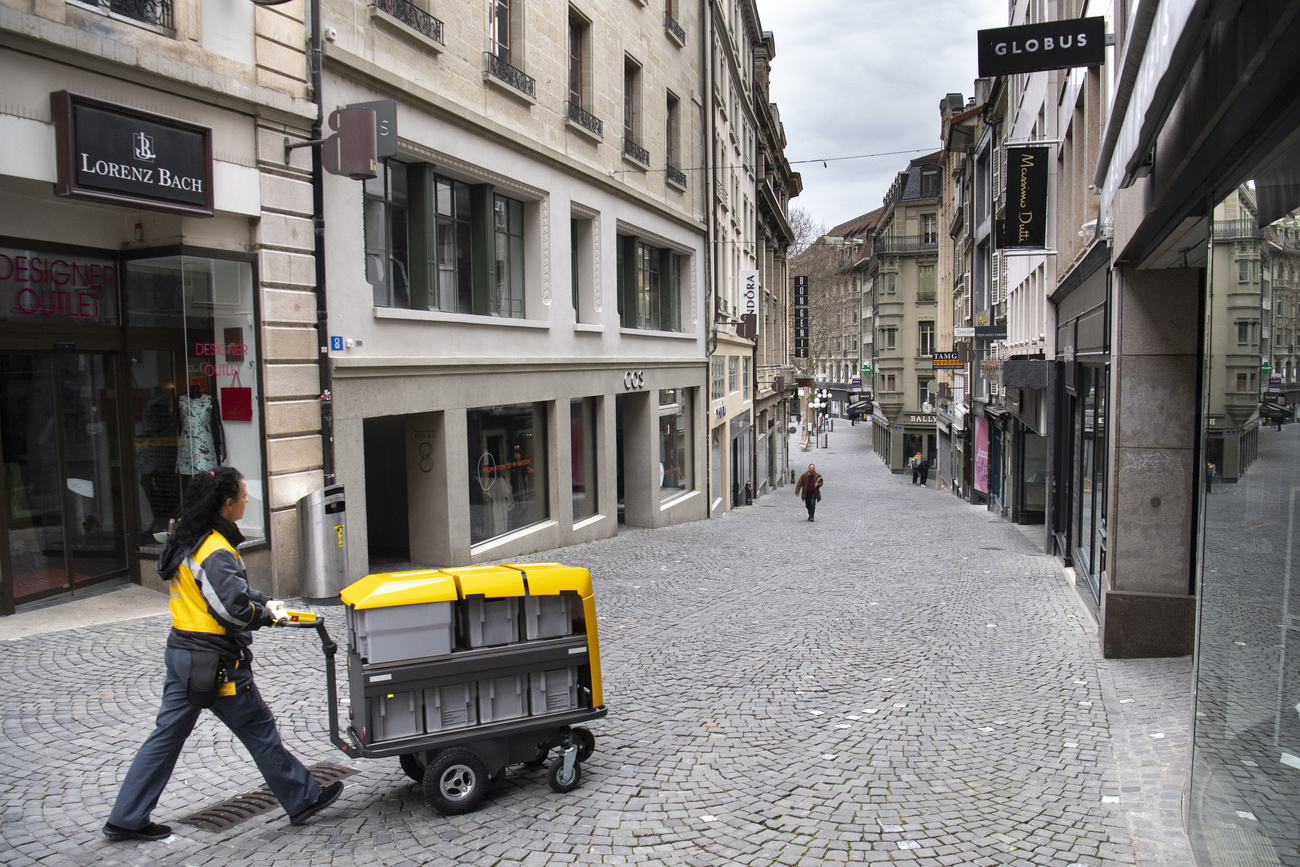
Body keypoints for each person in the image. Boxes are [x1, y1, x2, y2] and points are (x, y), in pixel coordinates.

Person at [103, 467, 342, 842]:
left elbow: (221, 590)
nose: (248, 500)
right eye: (243, 495)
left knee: (164, 738)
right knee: (259, 729)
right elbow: (231, 610)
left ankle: (126, 817)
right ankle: (303, 797)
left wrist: (263, 599)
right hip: (216, 664)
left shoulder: (188, 535)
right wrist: (266, 616)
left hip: (183, 654)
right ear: (227, 503)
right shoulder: (214, 548)